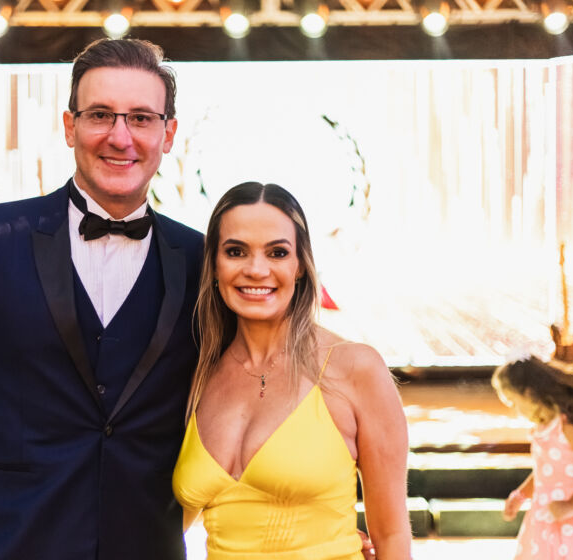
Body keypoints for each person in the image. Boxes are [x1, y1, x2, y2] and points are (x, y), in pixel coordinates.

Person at [0, 38, 204, 559]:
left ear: (167, 134)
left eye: (141, 118)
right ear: (69, 126)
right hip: (7, 545)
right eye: (100, 115)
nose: (120, 136)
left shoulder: (199, 259)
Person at [172, 182, 411, 559]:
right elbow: (160, 527)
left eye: (277, 252)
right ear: (214, 265)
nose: (256, 269)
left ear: (300, 266)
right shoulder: (198, 375)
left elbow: (393, 536)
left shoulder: (354, 369)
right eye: (235, 251)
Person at [494, 356, 573, 559]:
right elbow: (546, 471)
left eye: (513, 402)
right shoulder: (543, 428)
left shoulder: (570, 425)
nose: (514, 410)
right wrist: (521, 495)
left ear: (529, 393)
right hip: (546, 515)